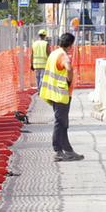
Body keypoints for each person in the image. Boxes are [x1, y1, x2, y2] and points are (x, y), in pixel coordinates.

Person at [39, 32, 84, 162]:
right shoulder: (64, 56)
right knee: (60, 123)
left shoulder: (54, 53)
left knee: (63, 123)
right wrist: (69, 81)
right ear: (70, 45)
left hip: (53, 93)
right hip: (61, 94)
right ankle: (58, 151)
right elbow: (69, 69)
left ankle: (68, 150)